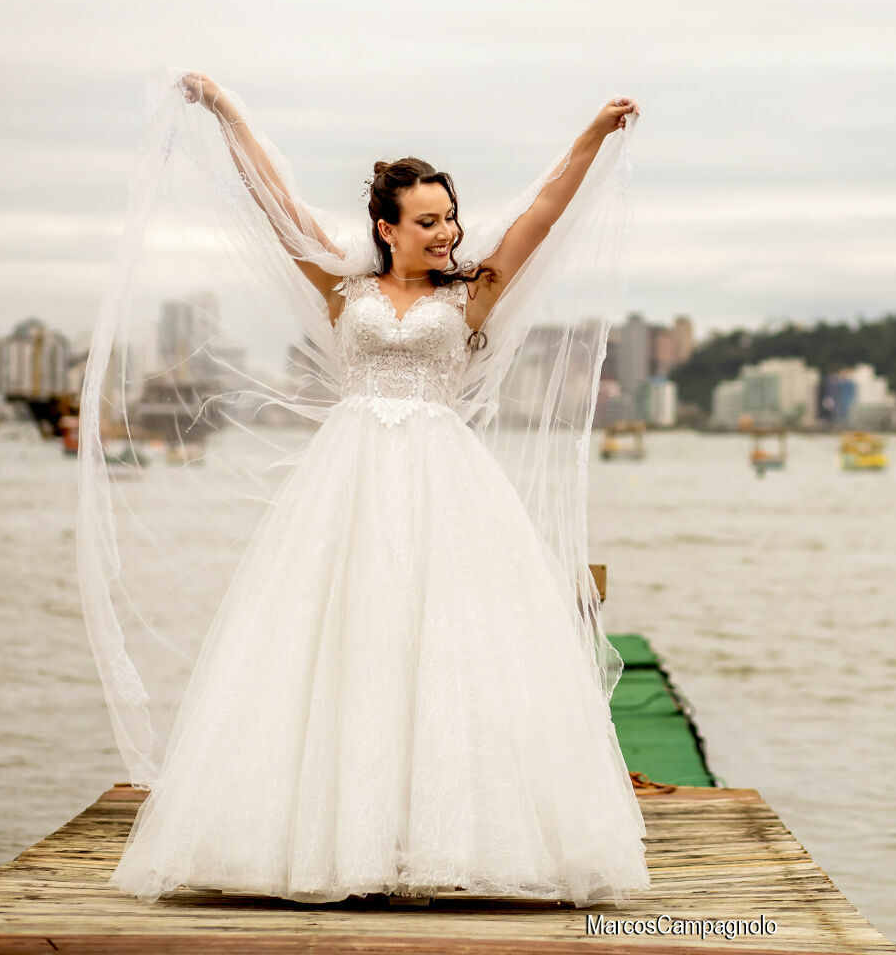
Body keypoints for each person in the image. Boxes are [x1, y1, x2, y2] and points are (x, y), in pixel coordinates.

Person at [79, 69, 648, 908]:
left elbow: (540, 214)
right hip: (347, 484)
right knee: (341, 640)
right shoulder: (342, 286)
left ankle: (450, 838)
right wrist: (230, 111)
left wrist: (594, 134)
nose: (447, 232)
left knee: (451, 645)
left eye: (449, 216)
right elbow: (276, 207)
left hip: (445, 481)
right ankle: (328, 839)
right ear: (386, 227)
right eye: (428, 221)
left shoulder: (476, 290)